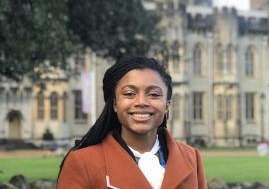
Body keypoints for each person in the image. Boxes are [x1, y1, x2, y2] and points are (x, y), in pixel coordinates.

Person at [57, 57, 207, 189]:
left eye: (154, 94)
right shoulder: (83, 162)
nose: (141, 102)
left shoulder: (191, 157)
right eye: (129, 94)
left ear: (167, 105)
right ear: (115, 104)